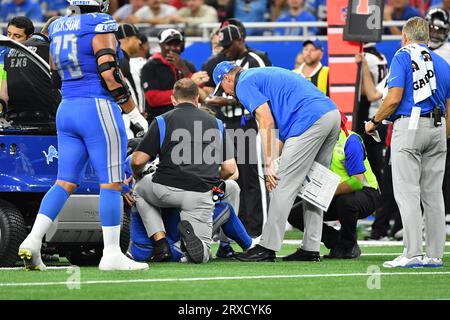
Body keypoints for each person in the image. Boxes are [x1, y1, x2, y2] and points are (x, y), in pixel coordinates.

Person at [17, 0, 148, 271]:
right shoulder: (100, 24)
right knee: (111, 182)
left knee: (64, 182)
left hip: (67, 108)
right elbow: (109, 72)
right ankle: (112, 253)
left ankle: (32, 240)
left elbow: (53, 75)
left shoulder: (57, 26)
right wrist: (132, 112)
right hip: (96, 107)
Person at [213, 62, 341, 262]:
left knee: (282, 185)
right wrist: (276, 160)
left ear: (227, 78)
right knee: (313, 186)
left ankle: (267, 248)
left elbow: (266, 121)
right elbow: (278, 133)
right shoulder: (261, 76)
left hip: (309, 119)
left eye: (224, 89)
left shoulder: (243, 82)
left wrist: (269, 165)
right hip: (331, 115)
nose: (228, 95)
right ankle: (311, 248)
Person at [365, 17, 450, 268]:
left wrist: (374, 121)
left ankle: (412, 252)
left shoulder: (403, 55)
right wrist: (442, 135)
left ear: (405, 37)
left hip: (410, 126)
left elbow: (393, 98)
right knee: (434, 195)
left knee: (407, 191)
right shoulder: (443, 63)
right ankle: (435, 255)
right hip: (438, 128)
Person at [131, 78, 237, 263]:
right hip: (200, 193)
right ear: (197, 99)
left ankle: (160, 241)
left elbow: (138, 160)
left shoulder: (162, 121)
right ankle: (189, 248)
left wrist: (136, 174)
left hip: (165, 189)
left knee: (139, 190)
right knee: (202, 256)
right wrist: (211, 178)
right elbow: (230, 169)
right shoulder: (216, 124)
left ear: (173, 100)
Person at [204, 23, 272, 239]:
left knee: (255, 176)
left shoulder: (255, 59)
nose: (225, 49)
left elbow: (263, 94)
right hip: (230, 124)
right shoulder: (224, 64)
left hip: (251, 122)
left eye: (228, 45)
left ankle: (261, 228)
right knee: (236, 176)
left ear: (240, 40)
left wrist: (228, 100)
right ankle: (242, 225)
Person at [286, 127, 381, 259]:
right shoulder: (315, 141)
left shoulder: (350, 140)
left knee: (346, 202)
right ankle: (337, 241)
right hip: (334, 194)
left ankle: (348, 246)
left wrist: (325, 192)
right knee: (295, 214)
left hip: (366, 192)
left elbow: (356, 182)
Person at [140, 28, 209, 124]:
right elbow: (153, 99)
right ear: (161, 45)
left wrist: (183, 68)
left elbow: (199, 93)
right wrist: (188, 87)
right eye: (169, 44)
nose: (173, 48)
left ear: (181, 46)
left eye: (176, 44)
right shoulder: (150, 66)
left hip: (187, 120)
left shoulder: (187, 65)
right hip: (161, 121)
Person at [3, 16, 62, 124]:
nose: (11, 40)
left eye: (17, 36)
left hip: (13, 120)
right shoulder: (51, 50)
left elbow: (4, 94)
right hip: (46, 120)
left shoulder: (8, 54)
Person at [425, 7, 450, 237]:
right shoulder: (418, 51)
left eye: (438, 29)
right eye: (431, 27)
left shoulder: (447, 53)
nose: (434, 32)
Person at [115, 23, 148, 139]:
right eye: (136, 38)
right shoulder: (121, 60)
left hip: (130, 117)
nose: (139, 42)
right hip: (128, 119)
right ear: (127, 38)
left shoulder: (124, 60)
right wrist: (136, 113)